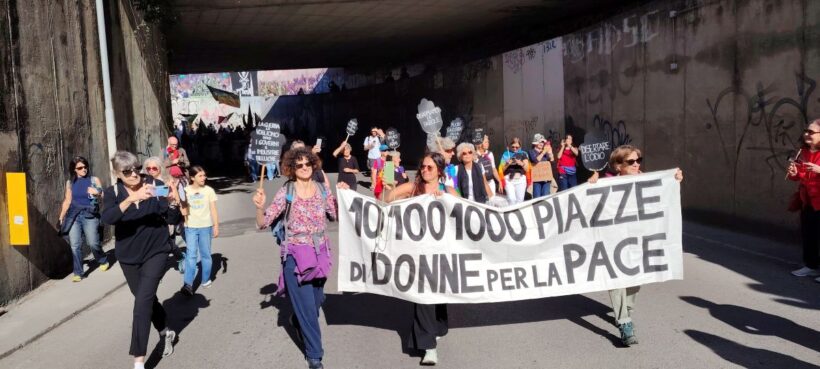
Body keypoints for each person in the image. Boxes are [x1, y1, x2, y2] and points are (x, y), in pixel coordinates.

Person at [253, 147, 347, 369]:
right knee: (307, 308)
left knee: (315, 304)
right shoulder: (287, 191)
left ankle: (297, 320)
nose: (304, 168)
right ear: (291, 169)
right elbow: (263, 222)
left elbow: (335, 216)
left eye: (308, 164)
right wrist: (259, 207)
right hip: (295, 256)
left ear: (313, 165)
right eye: (299, 165)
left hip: (320, 253)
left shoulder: (322, 189)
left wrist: (341, 194)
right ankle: (315, 355)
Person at [588, 145, 683, 346]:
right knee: (616, 280)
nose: (636, 164)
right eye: (631, 161)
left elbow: (662, 201)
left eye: (638, 160)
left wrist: (673, 181)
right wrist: (590, 186)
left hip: (637, 242)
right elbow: (587, 206)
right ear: (618, 165)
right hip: (612, 242)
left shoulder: (647, 181)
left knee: (634, 278)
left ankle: (626, 312)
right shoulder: (606, 184)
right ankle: (624, 322)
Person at [101, 151, 181, 368]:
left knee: (141, 303)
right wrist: (131, 199)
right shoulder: (113, 192)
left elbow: (172, 217)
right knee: (146, 299)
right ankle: (165, 330)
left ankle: (138, 361)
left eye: (137, 168)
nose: (135, 174)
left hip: (156, 250)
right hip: (128, 257)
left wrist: (173, 202)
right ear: (117, 173)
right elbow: (108, 218)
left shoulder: (153, 184)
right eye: (127, 171)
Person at [386, 153, 458, 366]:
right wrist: (392, 191)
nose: (425, 171)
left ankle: (439, 326)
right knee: (423, 298)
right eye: (423, 167)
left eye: (430, 168)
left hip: (442, 254)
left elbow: (464, 212)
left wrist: (445, 199)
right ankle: (429, 347)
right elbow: (386, 198)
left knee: (439, 296)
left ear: (439, 171)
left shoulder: (447, 190)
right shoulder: (412, 188)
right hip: (417, 254)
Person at [58, 156, 108, 282]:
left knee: (92, 243)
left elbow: (103, 195)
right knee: (75, 245)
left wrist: (96, 192)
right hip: (74, 215)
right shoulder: (70, 183)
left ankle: (102, 259)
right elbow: (68, 200)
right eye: (80, 168)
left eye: (85, 167)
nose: (84, 169)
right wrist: (61, 216)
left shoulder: (93, 179)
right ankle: (78, 273)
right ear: (74, 170)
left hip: (90, 215)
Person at [787, 119, 820, 281]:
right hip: (808, 200)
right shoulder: (804, 152)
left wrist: (819, 170)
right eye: (806, 131)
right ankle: (811, 266)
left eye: (811, 132)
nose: (807, 134)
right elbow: (799, 177)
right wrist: (794, 172)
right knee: (809, 234)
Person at [180, 166, 220, 295]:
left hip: (205, 227)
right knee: (191, 254)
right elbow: (181, 206)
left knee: (205, 254)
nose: (204, 178)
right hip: (190, 227)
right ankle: (188, 284)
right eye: (200, 176)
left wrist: (216, 225)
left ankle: (205, 279)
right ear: (192, 178)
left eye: (204, 175)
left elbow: (213, 209)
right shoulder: (185, 190)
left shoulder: (209, 191)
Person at [499, 137, 529, 205]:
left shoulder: (523, 154)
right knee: (511, 199)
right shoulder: (506, 154)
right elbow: (502, 169)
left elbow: (527, 169)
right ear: (510, 146)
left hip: (520, 180)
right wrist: (507, 164)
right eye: (513, 147)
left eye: (517, 147)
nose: (515, 149)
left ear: (520, 147)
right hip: (509, 180)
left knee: (520, 201)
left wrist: (521, 163)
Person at [528, 134, 555, 198]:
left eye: (543, 142)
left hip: (546, 179)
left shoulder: (546, 152)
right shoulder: (531, 151)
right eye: (540, 142)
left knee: (546, 197)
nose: (542, 143)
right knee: (537, 198)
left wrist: (550, 153)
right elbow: (535, 160)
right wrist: (544, 152)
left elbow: (552, 162)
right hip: (536, 180)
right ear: (535, 143)